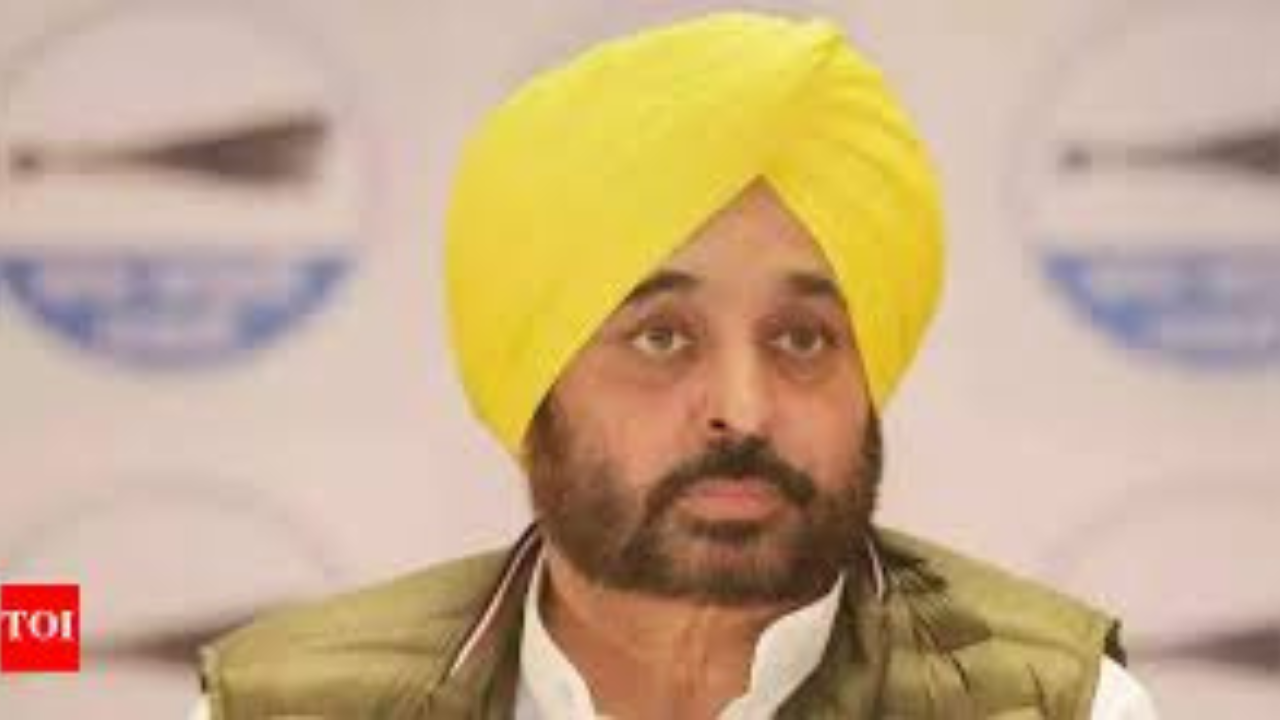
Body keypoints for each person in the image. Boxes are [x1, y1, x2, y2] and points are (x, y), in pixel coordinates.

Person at [193, 12, 1157, 719]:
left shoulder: (1050, 705)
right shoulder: (290, 708)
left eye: (803, 339)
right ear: (533, 379)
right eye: (662, 338)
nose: (744, 409)